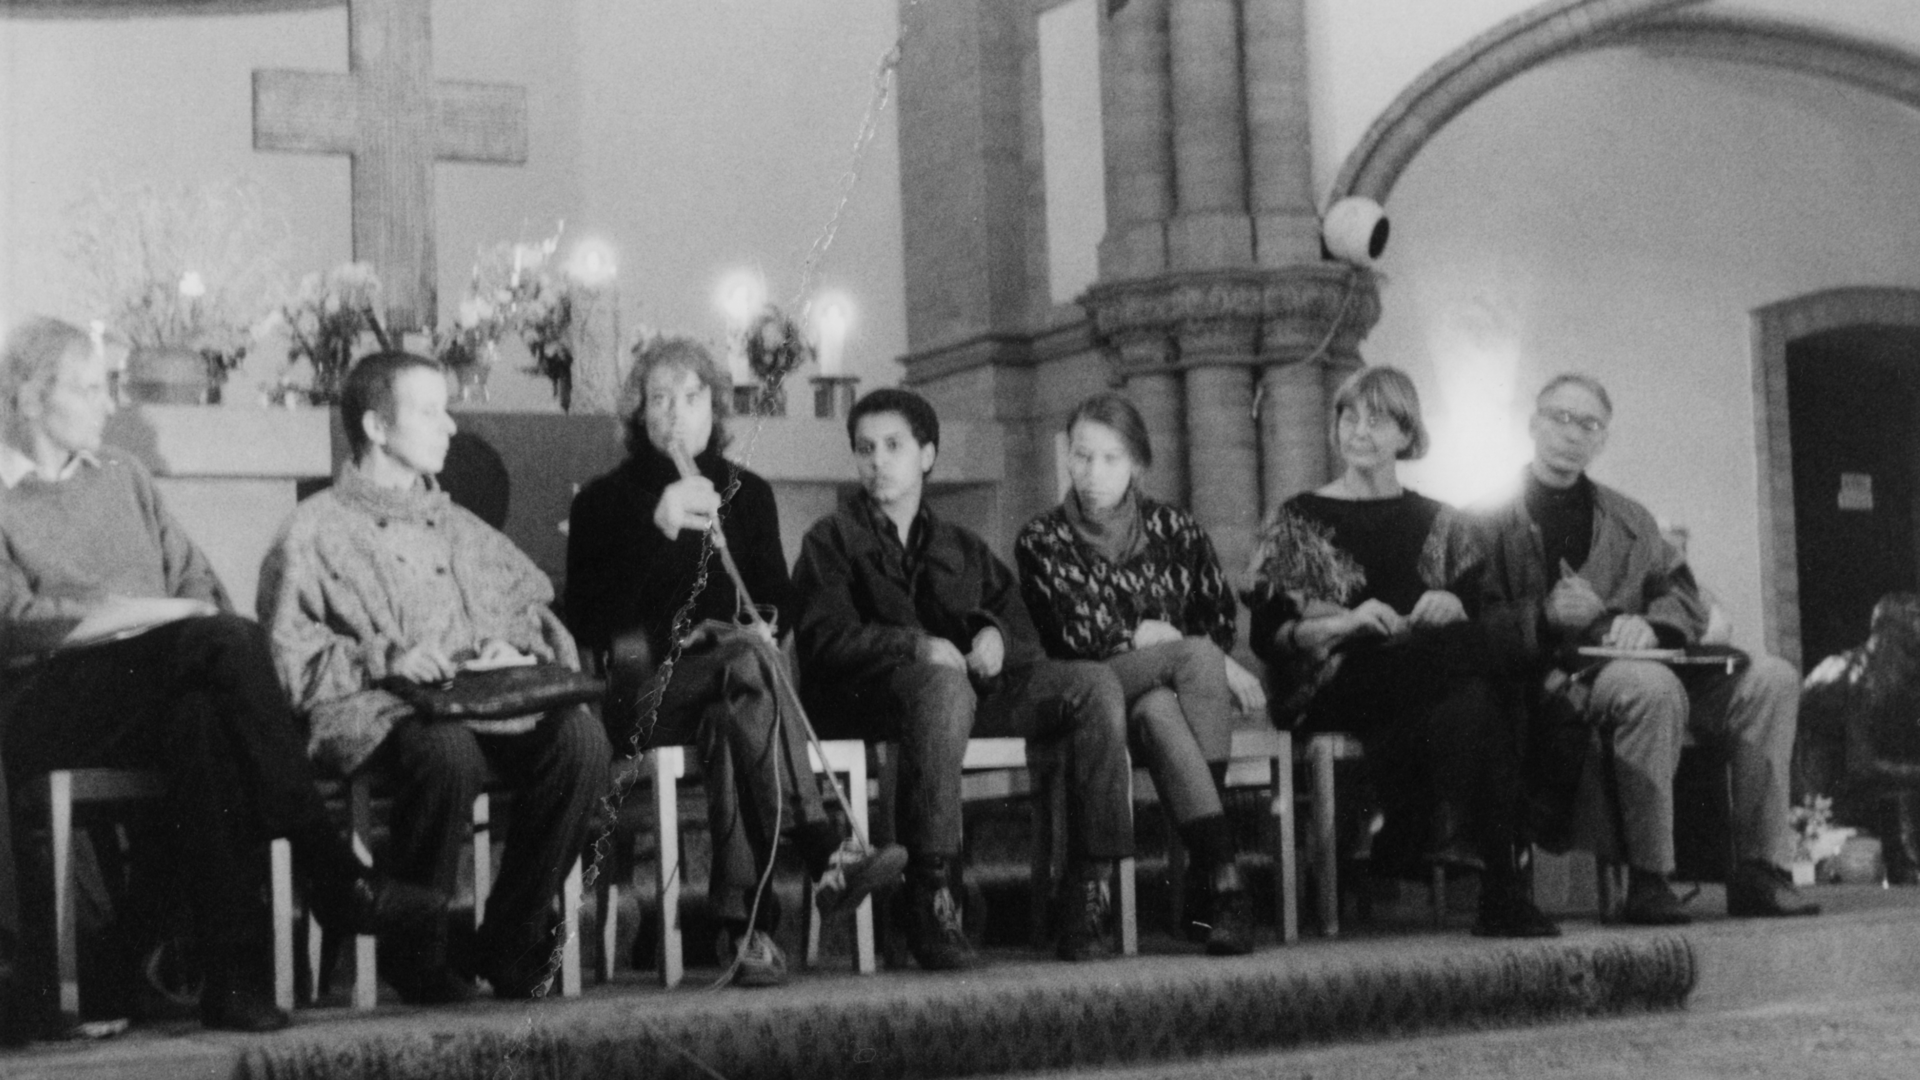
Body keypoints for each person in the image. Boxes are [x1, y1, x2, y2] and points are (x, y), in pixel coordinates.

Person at [0, 318, 445, 1034]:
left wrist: (173, 618)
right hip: (48, 702)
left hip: (159, 681)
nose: (107, 403)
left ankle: (234, 984)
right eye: (87, 389)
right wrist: (134, 614)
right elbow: (14, 620)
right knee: (219, 647)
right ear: (28, 399)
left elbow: (200, 583)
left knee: (205, 717)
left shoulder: (123, 477)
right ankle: (333, 871)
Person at [258, 351, 611, 1003]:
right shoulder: (312, 532)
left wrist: (510, 649)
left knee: (583, 743)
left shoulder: (463, 526)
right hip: (378, 711)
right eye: (429, 411)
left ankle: (509, 936)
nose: (449, 427)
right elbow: (289, 662)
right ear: (376, 427)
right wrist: (383, 660)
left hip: (487, 700)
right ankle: (415, 951)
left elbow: (534, 614)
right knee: (446, 751)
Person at [565, 337, 903, 987]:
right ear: (638, 412)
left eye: (691, 397)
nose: (675, 413)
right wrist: (658, 532)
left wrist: (766, 620)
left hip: (734, 682)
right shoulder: (604, 501)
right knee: (750, 669)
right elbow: (590, 617)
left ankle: (738, 929)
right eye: (658, 398)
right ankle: (818, 840)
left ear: (715, 408)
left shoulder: (747, 493)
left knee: (738, 708)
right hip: (644, 689)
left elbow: (779, 592)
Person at [791, 387, 1135, 969]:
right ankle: (931, 893)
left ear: (927, 455)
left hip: (970, 699)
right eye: (865, 448)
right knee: (942, 686)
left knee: (1093, 684)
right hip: (868, 699)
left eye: (893, 446)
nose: (877, 461)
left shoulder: (960, 545)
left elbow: (1023, 627)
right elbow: (824, 641)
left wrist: (998, 637)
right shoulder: (831, 540)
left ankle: (1086, 889)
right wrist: (915, 646)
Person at [1474, 371, 1817, 924]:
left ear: (1603, 438)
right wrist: (1543, 615)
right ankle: (1650, 879)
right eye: (1561, 417)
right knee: (1649, 687)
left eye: (1589, 424)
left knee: (1774, 677)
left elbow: (1682, 594)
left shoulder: (1630, 517)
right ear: (1534, 423)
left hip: (1656, 664)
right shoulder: (1485, 520)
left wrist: (1652, 628)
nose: (1572, 433)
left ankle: (1759, 870)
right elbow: (1477, 625)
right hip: (1567, 682)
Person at [1246, 365, 1556, 937]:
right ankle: (1493, 874)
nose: (1359, 430)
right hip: (1335, 680)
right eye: (1349, 415)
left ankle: (1430, 838)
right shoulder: (1298, 517)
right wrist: (1344, 622)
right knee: (1490, 665)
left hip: (1425, 684)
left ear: (1407, 434)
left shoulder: (1442, 521)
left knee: (1478, 692)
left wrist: (1449, 604)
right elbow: (1269, 637)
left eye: (1378, 418)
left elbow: (1471, 613)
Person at [1014, 392, 1264, 955]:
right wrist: (1157, 639)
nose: (1093, 473)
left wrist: (1172, 644)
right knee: (1197, 657)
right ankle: (1218, 877)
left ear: (1137, 464)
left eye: (1110, 459)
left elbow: (1218, 618)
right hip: (1090, 691)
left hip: (1163, 699)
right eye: (1082, 457)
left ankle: (1217, 874)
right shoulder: (1041, 538)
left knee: (1160, 706)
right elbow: (1078, 635)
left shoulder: (1177, 530)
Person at [1796, 592, 1920, 883]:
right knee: (1866, 861)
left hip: (1850, 806)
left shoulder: (1881, 675)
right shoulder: (1855, 676)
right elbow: (1860, 767)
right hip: (1826, 817)